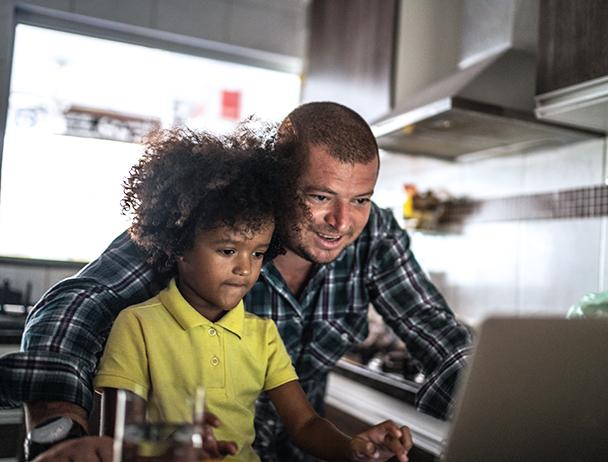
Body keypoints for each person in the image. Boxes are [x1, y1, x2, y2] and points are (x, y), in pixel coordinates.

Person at [0, 102, 472, 461]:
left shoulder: (376, 234)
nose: (341, 222)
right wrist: (59, 433)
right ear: (278, 181)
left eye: (361, 199)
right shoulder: (210, 221)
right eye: (320, 196)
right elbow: (76, 307)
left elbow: (438, 333)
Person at [93, 126, 412, 462]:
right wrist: (179, 441)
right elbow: (116, 433)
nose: (245, 269)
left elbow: (305, 424)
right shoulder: (138, 326)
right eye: (228, 251)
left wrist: (352, 446)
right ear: (179, 246)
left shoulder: (263, 336)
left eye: (258, 253)